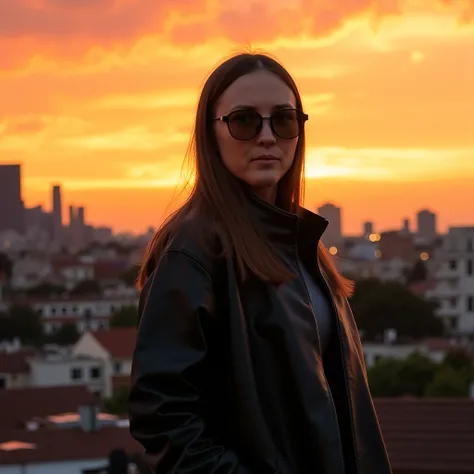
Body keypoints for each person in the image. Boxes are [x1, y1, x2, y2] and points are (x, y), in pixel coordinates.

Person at [128, 52, 392, 474]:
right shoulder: (194, 248)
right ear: (211, 134)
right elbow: (163, 417)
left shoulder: (303, 243)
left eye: (284, 120)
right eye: (245, 121)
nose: (267, 136)